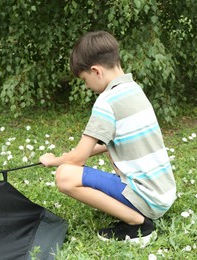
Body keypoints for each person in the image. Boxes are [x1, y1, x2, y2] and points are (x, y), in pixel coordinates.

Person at [39, 31, 176, 245]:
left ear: (96, 71)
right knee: (73, 166)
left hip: (147, 199)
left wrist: (53, 160)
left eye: (85, 80)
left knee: (65, 175)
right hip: (163, 194)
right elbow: (112, 142)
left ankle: (138, 223)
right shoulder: (134, 89)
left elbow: (78, 160)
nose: (86, 86)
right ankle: (136, 212)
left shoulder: (106, 102)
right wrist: (74, 154)